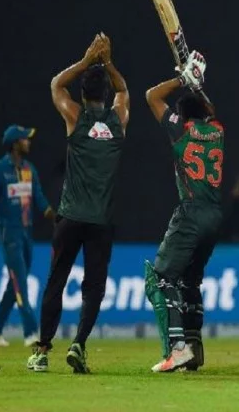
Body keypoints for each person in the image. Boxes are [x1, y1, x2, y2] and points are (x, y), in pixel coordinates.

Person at [27, 33, 128, 373]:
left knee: (56, 282)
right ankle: (79, 344)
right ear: (107, 96)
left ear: (83, 96)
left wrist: (86, 61)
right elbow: (124, 91)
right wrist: (108, 62)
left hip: (70, 217)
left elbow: (56, 84)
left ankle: (42, 352)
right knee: (94, 288)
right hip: (100, 222)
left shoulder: (75, 117)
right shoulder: (118, 121)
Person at [144, 51, 224, 372]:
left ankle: (177, 349)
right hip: (214, 216)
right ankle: (194, 348)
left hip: (191, 214)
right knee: (190, 281)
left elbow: (151, 96)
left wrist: (182, 79)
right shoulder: (217, 130)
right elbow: (210, 110)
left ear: (182, 116)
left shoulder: (180, 130)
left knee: (161, 278)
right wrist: (196, 84)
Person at [0, 126, 55, 347]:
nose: (28, 142)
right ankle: (31, 332)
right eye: (25, 139)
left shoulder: (28, 169)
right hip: (10, 234)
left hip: (27, 234)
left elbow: (39, 198)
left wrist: (54, 216)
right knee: (21, 283)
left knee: (13, 287)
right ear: (15, 143)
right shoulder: (2, 169)